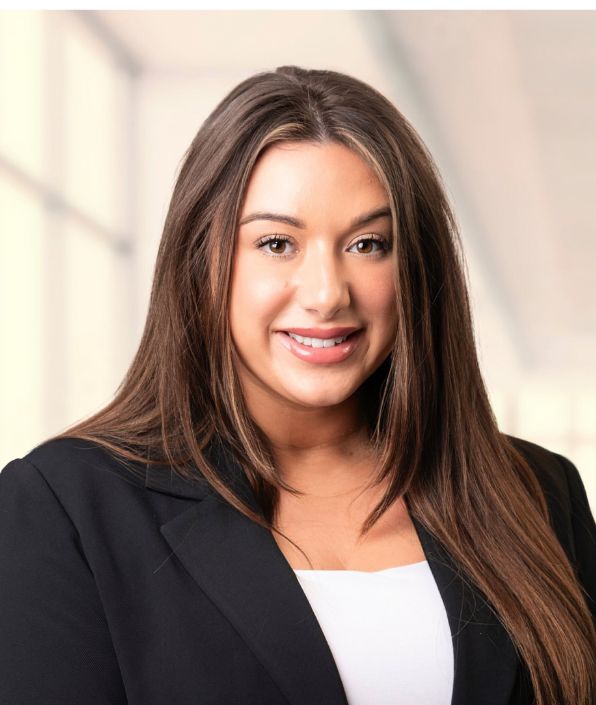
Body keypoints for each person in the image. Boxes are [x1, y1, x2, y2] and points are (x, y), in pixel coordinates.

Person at [0, 65, 594, 705]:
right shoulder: (65, 507)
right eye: (277, 243)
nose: (325, 294)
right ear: (202, 260)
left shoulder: (537, 493)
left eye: (368, 244)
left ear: (416, 266)